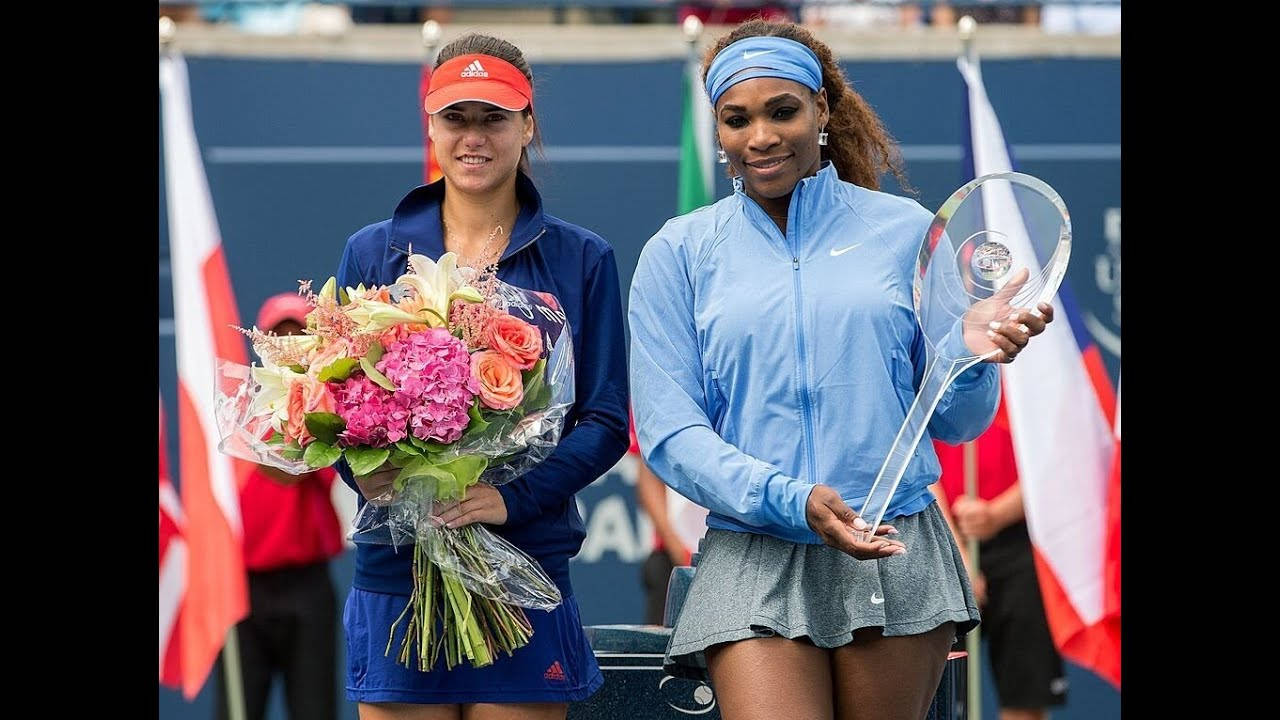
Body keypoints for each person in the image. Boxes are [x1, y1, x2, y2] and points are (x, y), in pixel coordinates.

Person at [628, 19, 1055, 720]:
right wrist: (788, 498)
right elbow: (672, 433)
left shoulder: (906, 231)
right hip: (753, 547)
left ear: (822, 110)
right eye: (737, 119)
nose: (760, 135)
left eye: (782, 110)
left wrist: (971, 360)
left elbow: (957, 419)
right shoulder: (679, 252)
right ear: (719, 130)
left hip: (893, 540)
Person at [332, 32, 630, 720]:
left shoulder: (583, 259)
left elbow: (607, 419)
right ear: (430, 126)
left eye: (494, 117)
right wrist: (365, 470)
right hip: (397, 567)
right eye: (456, 118)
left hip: (523, 569)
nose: (474, 137)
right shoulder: (372, 252)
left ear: (527, 125)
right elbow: (340, 402)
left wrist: (513, 499)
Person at [214, 292, 345, 720]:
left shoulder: (331, 408)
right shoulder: (233, 405)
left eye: (299, 335)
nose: (288, 345)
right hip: (240, 588)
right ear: (262, 344)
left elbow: (294, 472)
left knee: (314, 710)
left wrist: (295, 414)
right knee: (237, 709)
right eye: (278, 336)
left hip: (306, 587)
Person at [931, 404, 1069, 720]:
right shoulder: (927, 361)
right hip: (941, 539)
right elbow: (912, 455)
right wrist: (957, 553)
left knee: (1026, 692)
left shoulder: (1038, 366)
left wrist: (996, 515)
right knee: (936, 700)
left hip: (1023, 541)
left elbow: (1062, 457)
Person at [631, 415, 709, 626]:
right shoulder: (660, 386)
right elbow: (649, 474)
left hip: (742, 553)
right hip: (673, 560)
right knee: (661, 652)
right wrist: (677, 546)